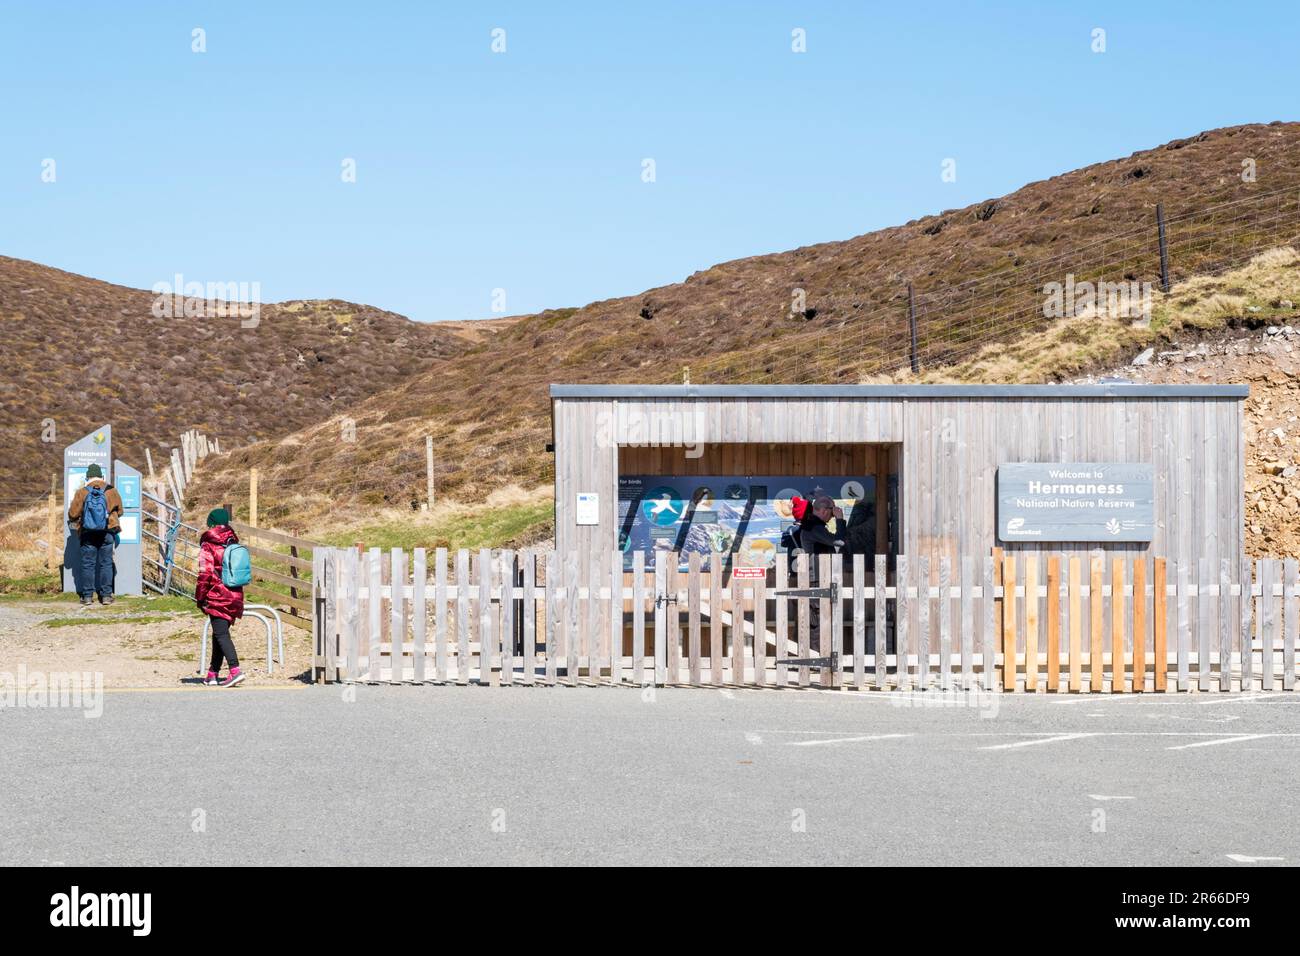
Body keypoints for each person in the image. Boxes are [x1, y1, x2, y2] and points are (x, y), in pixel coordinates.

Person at [196, 508, 246, 687]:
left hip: (217, 594)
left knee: (221, 634)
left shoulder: (209, 544)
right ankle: (212, 673)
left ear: (211, 522)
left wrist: (200, 598)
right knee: (219, 633)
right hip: (235, 593)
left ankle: (235, 670)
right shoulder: (233, 541)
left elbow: (205, 573)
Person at [66, 464, 123, 606]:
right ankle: (106, 597)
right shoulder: (111, 491)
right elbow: (120, 511)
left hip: (87, 532)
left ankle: (87, 597)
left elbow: (73, 514)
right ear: (101, 476)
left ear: (88, 477)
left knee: (88, 564)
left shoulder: (82, 492)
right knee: (106, 564)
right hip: (107, 531)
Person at [798, 495, 845, 652]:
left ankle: (815, 656)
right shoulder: (814, 527)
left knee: (816, 619)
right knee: (818, 620)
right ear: (825, 510)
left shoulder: (813, 526)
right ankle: (816, 657)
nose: (833, 515)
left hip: (818, 578)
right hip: (818, 579)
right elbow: (839, 541)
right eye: (832, 511)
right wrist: (840, 520)